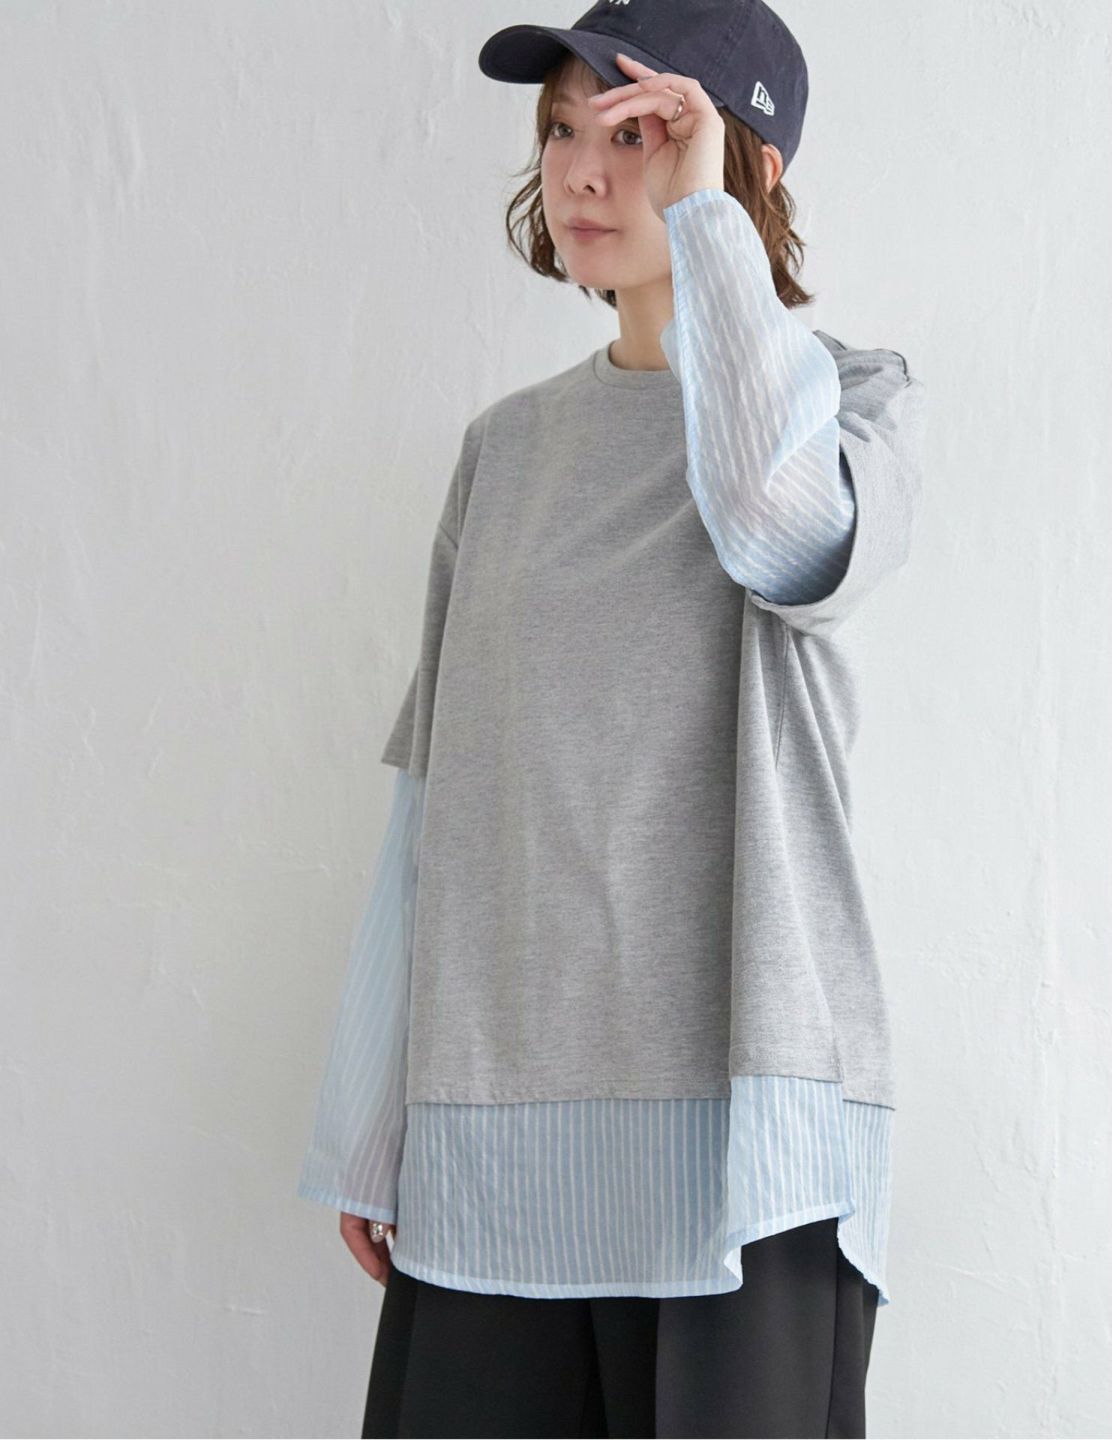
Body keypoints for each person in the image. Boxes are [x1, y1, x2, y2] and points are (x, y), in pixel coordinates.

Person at [298, 2, 927, 1435]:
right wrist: (372, 1118)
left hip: (748, 1153)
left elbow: (772, 528)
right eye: (562, 131)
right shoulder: (506, 452)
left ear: (746, 167)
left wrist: (707, 228)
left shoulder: (850, 406)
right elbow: (436, 795)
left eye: (639, 136)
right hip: (497, 1146)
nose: (581, 172)